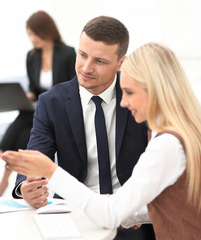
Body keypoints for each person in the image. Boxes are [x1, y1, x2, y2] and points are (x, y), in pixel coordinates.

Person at [2, 42, 201, 239]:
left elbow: (110, 215)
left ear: (155, 90)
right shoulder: (186, 132)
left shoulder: (167, 145)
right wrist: (130, 212)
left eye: (130, 93)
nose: (123, 102)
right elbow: (181, 203)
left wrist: (51, 171)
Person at [11, 16, 155, 240]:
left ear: (120, 63)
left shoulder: (138, 97)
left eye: (99, 61)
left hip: (128, 215)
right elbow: (36, 155)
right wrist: (24, 187)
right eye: (83, 55)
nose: (86, 68)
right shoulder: (52, 102)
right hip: (74, 212)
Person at [0, 10, 76, 196]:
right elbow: (34, 88)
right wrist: (27, 96)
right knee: (26, 130)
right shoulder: (32, 56)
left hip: (60, 108)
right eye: (29, 34)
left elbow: (71, 87)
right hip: (38, 109)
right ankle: (1, 183)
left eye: (35, 33)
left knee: (26, 122)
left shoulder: (67, 53)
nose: (32, 39)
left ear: (46, 31)